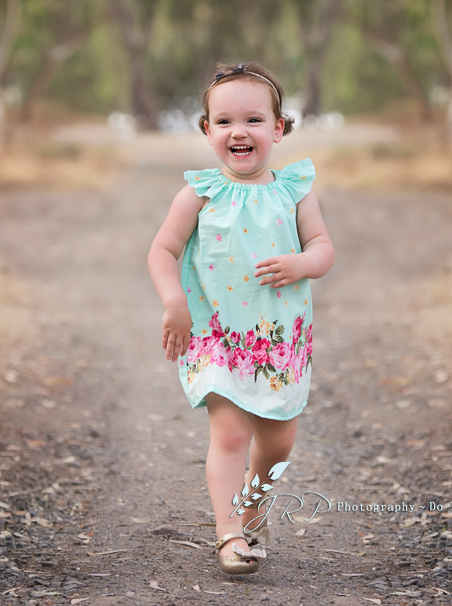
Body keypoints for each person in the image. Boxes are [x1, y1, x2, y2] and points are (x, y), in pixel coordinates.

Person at [147, 62, 334, 575]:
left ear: (279, 128)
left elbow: (323, 246)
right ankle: (230, 534)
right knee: (230, 436)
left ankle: (253, 508)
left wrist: (303, 263)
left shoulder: (295, 191)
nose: (239, 131)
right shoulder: (199, 193)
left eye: (254, 119)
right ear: (207, 130)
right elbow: (162, 249)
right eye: (225, 121)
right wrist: (174, 302)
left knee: (277, 443)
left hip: (277, 341)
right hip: (218, 336)